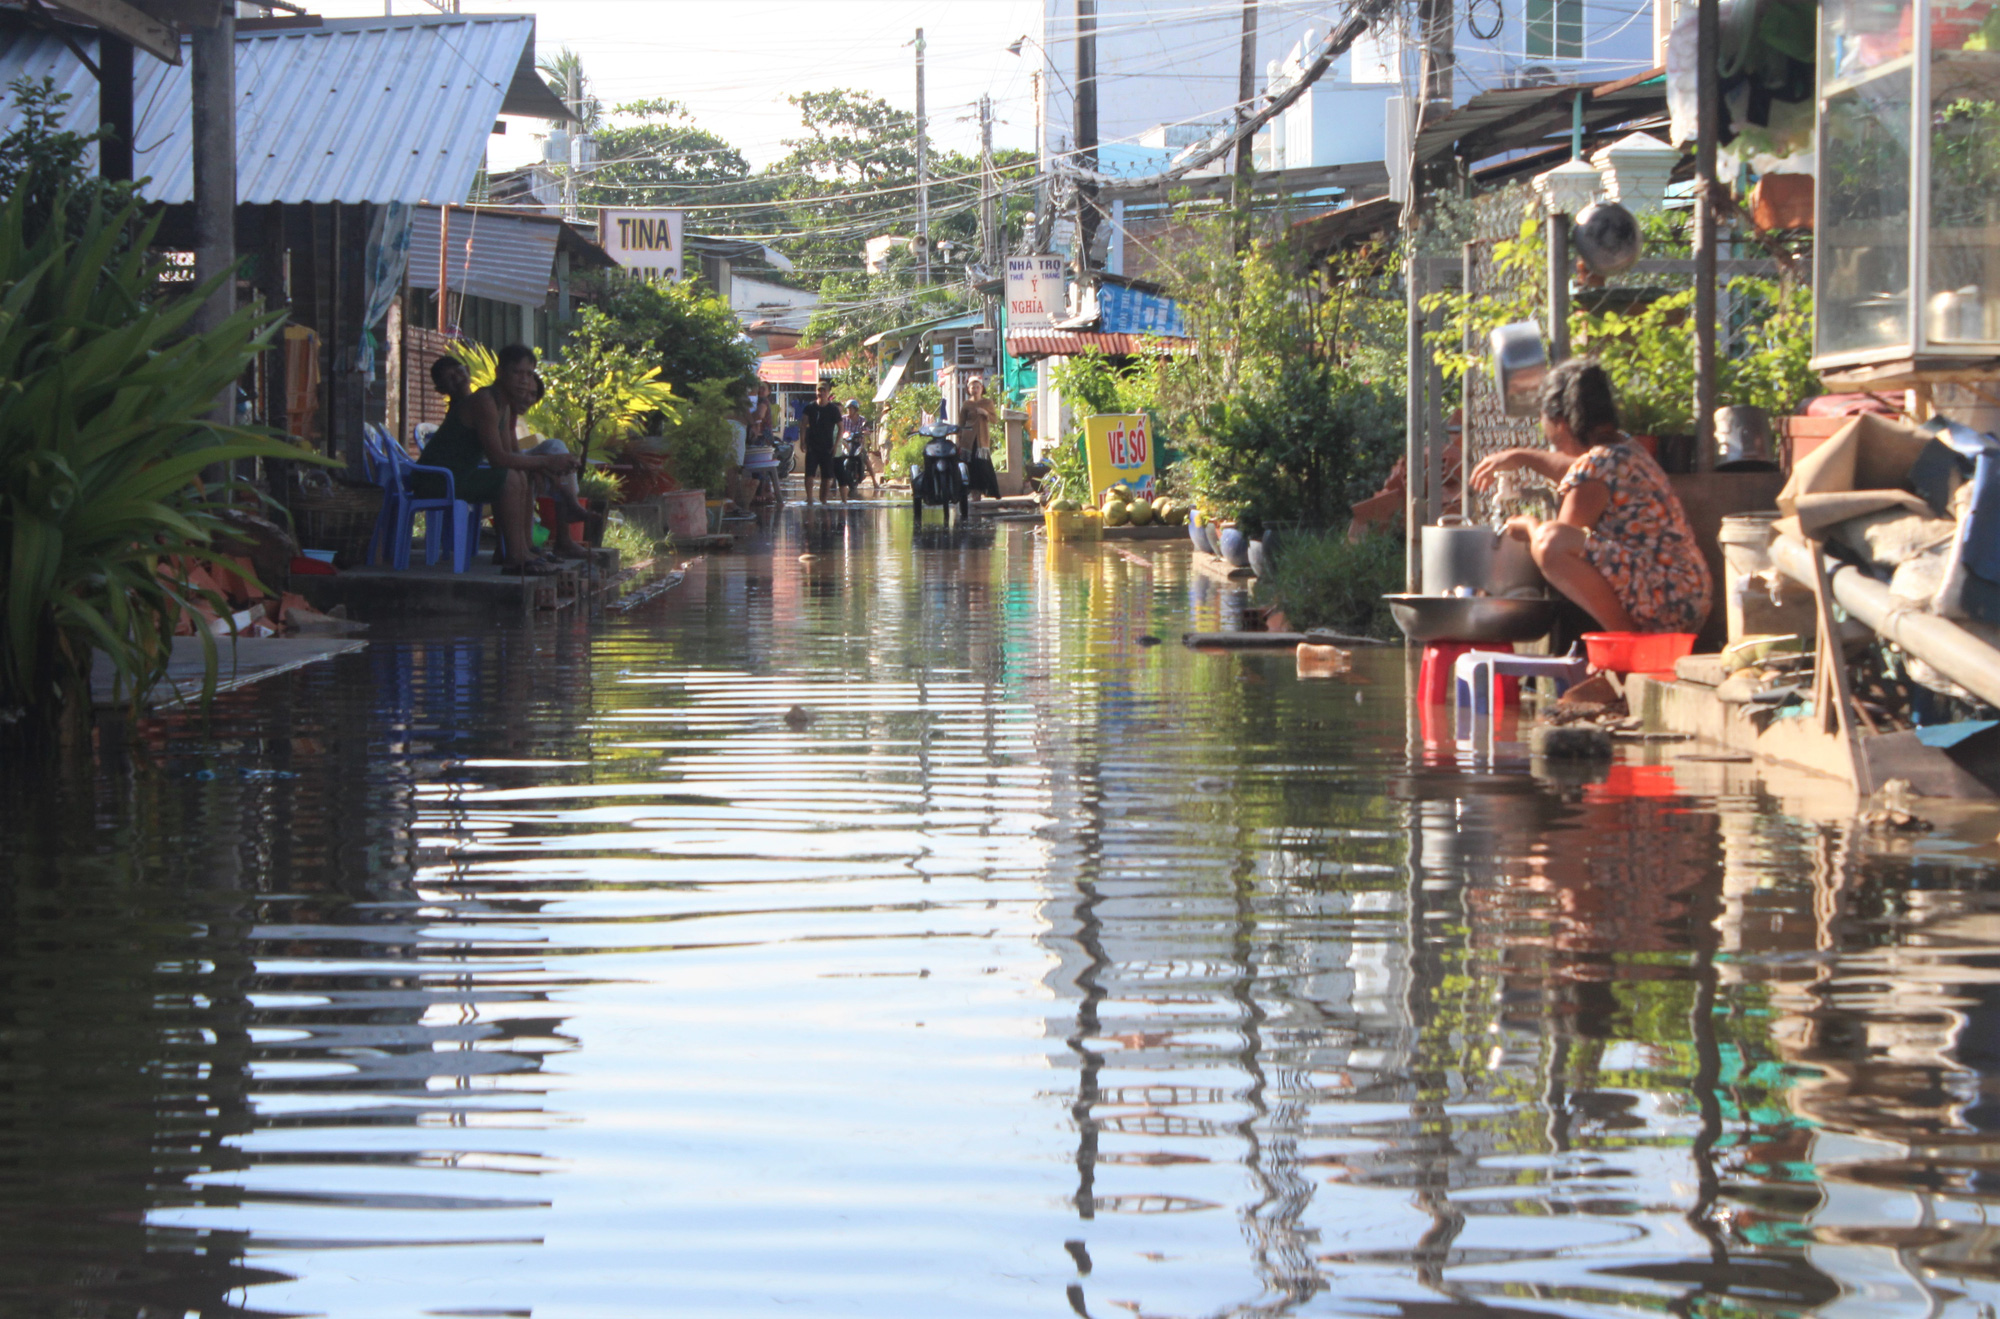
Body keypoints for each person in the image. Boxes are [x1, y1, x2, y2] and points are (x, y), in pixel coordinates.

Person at [1469, 357, 1711, 634]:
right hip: (1686, 596)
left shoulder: (1595, 468)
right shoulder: (1626, 448)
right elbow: (1575, 468)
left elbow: (1558, 550)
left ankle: (1625, 641)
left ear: (1559, 422)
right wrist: (1520, 456)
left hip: (1664, 602)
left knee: (1550, 540)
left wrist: (1528, 525)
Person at [416, 347, 578, 575]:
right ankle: (515, 558)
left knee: (521, 475)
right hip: (436, 480)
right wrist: (547, 461)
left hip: (460, 476)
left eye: (529, 374)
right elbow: (499, 459)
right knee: (510, 477)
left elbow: (512, 455)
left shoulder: (504, 406)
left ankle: (523, 550)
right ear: (499, 372)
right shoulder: (485, 400)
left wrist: (543, 467)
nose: (524, 381)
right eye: (516, 373)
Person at [958, 376, 1002, 503]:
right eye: (972, 387)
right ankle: (973, 494)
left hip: (982, 440)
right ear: (968, 389)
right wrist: (959, 439)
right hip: (968, 441)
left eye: (977, 387)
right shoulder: (966, 404)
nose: (975, 389)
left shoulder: (987, 403)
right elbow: (961, 423)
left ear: (982, 388)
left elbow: (995, 419)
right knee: (969, 467)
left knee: (983, 466)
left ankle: (990, 493)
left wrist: (985, 413)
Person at [800, 382, 844, 507]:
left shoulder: (833, 409)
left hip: (827, 447)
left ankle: (823, 500)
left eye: (824, 390)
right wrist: (802, 441)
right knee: (809, 474)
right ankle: (809, 499)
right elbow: (803, 425)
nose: (821, 393)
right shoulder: (810, 407)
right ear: (816, 391)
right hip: (812, 446)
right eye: (819, 390)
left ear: (828, 392)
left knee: (827, 477)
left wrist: (836, 445)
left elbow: (841, 427)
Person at [840, 398, 877, 496]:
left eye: (851, 409)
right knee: (838, 460)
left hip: (858, 444)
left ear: (856, 409)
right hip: (847, 444)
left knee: (867, 460)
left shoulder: (862, 419)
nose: (849, 411)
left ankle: (875, 482)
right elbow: (840, 429)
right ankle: (834, 483)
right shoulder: (843, 419)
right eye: (848, 409)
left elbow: (867, 430)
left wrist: (865, 432)